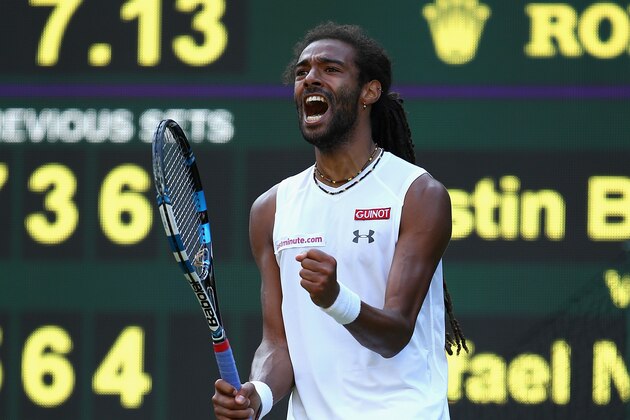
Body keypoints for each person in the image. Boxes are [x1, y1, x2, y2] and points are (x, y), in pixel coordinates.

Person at [212, 22, 466, 420]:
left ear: (370, 91)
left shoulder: (418, 195)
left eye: (330, 69)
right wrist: (257, 395)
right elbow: (278, 344)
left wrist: (335, 298)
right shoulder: (271, 209)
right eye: (302, 72)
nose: (310, 77)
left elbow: (395, 332)